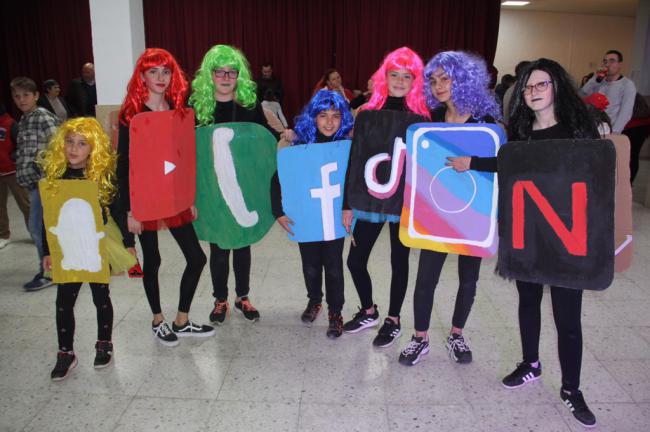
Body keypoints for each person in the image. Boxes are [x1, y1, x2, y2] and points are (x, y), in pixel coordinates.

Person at [502, 58, 600, 428]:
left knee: (567, 318)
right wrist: (471, 162)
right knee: (528, 302)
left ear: (557, 87)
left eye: (541, 85)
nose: (533, 92)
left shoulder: (580, 133)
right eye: (528, 87)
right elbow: (506, 167)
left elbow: (599, 186)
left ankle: (572, 389)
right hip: (529, 236)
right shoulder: (522, 135)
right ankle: (530, 364)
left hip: (567, 239)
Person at [398, 51, 502, 367]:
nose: (439, 85)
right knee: (425, 278)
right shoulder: (429, 121)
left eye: (446, 78)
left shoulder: (486, 124)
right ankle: (420, 338)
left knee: (468, 279)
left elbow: (508, 163)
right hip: (436, 213)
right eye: (434, 80)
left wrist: (474, 163)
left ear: (463, 80)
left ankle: (456, 334)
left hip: (474, 213)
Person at [117, 48, 213, 347]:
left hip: (173, 196)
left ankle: (181, 320)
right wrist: (129, 212)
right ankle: (157, 319)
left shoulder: (177, 111)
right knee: (153, 260)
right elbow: (124, 167)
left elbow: (182, 158)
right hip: (143, 199)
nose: (160, 77)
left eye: (166, 71)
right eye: (153, 71)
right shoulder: (132, 115)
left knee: (197, 258)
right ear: (142, 76)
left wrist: (188, 196)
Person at [342, 47, 429, 347]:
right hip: (370, 198)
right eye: (395, 75)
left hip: (404, 202)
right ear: (385, 77)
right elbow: (354, 159)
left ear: (415, 81)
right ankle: (369, 311)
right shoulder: (366, 114)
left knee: (399, 260)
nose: (400, 81)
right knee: (355, 260)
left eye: (407, 76)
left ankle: (393, 319)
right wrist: (347, 205)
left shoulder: (421, 118)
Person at [190, 44, 279, 325]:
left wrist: (282, 136)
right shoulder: (198, 110)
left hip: (242, 189)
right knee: (218, 247)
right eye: (220, 72)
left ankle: (243, 296)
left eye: (232, 72)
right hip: (211, 190)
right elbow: (188, 153)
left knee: (242, 244)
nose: (226, 77)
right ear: (210, 75)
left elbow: (262, 149)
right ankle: (220, 300)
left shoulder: (250, 108)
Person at [39, 117, 133, 380]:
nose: (74, 149)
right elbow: (48, 218)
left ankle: (105, 343)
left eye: (82, 143)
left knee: (100, 297)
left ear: (93, 149)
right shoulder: (56, 177)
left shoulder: (102, 176)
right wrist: (47, 250)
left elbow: (118, 210)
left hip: (96, 244)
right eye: (69, 142)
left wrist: (128, 243)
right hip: (68, 245)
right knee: (63, 301)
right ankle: (65, 352)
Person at [271, 89, 354, 337]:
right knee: (310, 265)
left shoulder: (346, 148)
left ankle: (336, 311)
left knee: (334, 266)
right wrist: (279, 211)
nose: (329, 122)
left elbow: (353, 181)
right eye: (323, 116)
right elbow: (278, 179)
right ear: (313, 118)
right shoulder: (300, 146)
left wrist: (351, 210)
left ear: (343, 119)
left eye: (336, 116)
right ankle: (314, 300)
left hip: (334, 218)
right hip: (307, 217)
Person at [11, 77, 61, 290]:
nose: (21, 100)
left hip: (44, 182)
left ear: (36, 96)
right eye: (17, 96)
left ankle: (49, 272)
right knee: (40, 228)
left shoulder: (42, 117)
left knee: (38, 229)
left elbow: (57, 147)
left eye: (25, 95)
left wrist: (45, 174)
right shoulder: (24, 119)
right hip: (33, 184)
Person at [581, 50, 636, 133]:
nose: (607, 64)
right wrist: (595, 78)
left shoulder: (627, 85)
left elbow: (625, 113)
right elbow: (583, 94)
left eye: (612, 61)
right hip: (592, 125)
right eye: (605, 61)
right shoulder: (599, 81)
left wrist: (615, 132)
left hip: (610, 129)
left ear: (620, 64)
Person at [0, 102, 30, 250]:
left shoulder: (11, 124)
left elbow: (22, 146)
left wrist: (12, 157)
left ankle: (34, 233)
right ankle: (3, 235)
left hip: (13, 171)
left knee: (25, 204)